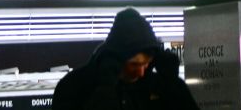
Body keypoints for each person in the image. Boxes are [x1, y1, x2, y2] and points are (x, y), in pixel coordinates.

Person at [51, 7, 199, 110]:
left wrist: (172, 85)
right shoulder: (75, 87)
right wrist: (105, 91)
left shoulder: (159, 85)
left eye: (146, 64)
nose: (141, 72)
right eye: (134, 65)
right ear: (115, 59)